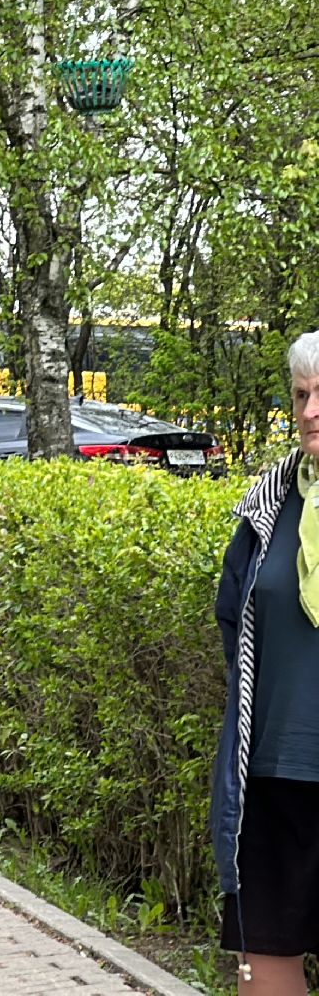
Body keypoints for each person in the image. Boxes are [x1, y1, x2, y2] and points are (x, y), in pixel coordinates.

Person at [214, 331, 319, 995]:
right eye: (304, 395)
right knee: (266, 967)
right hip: (276, 774)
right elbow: (235, 618)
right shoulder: (269, 507)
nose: (311, 411)